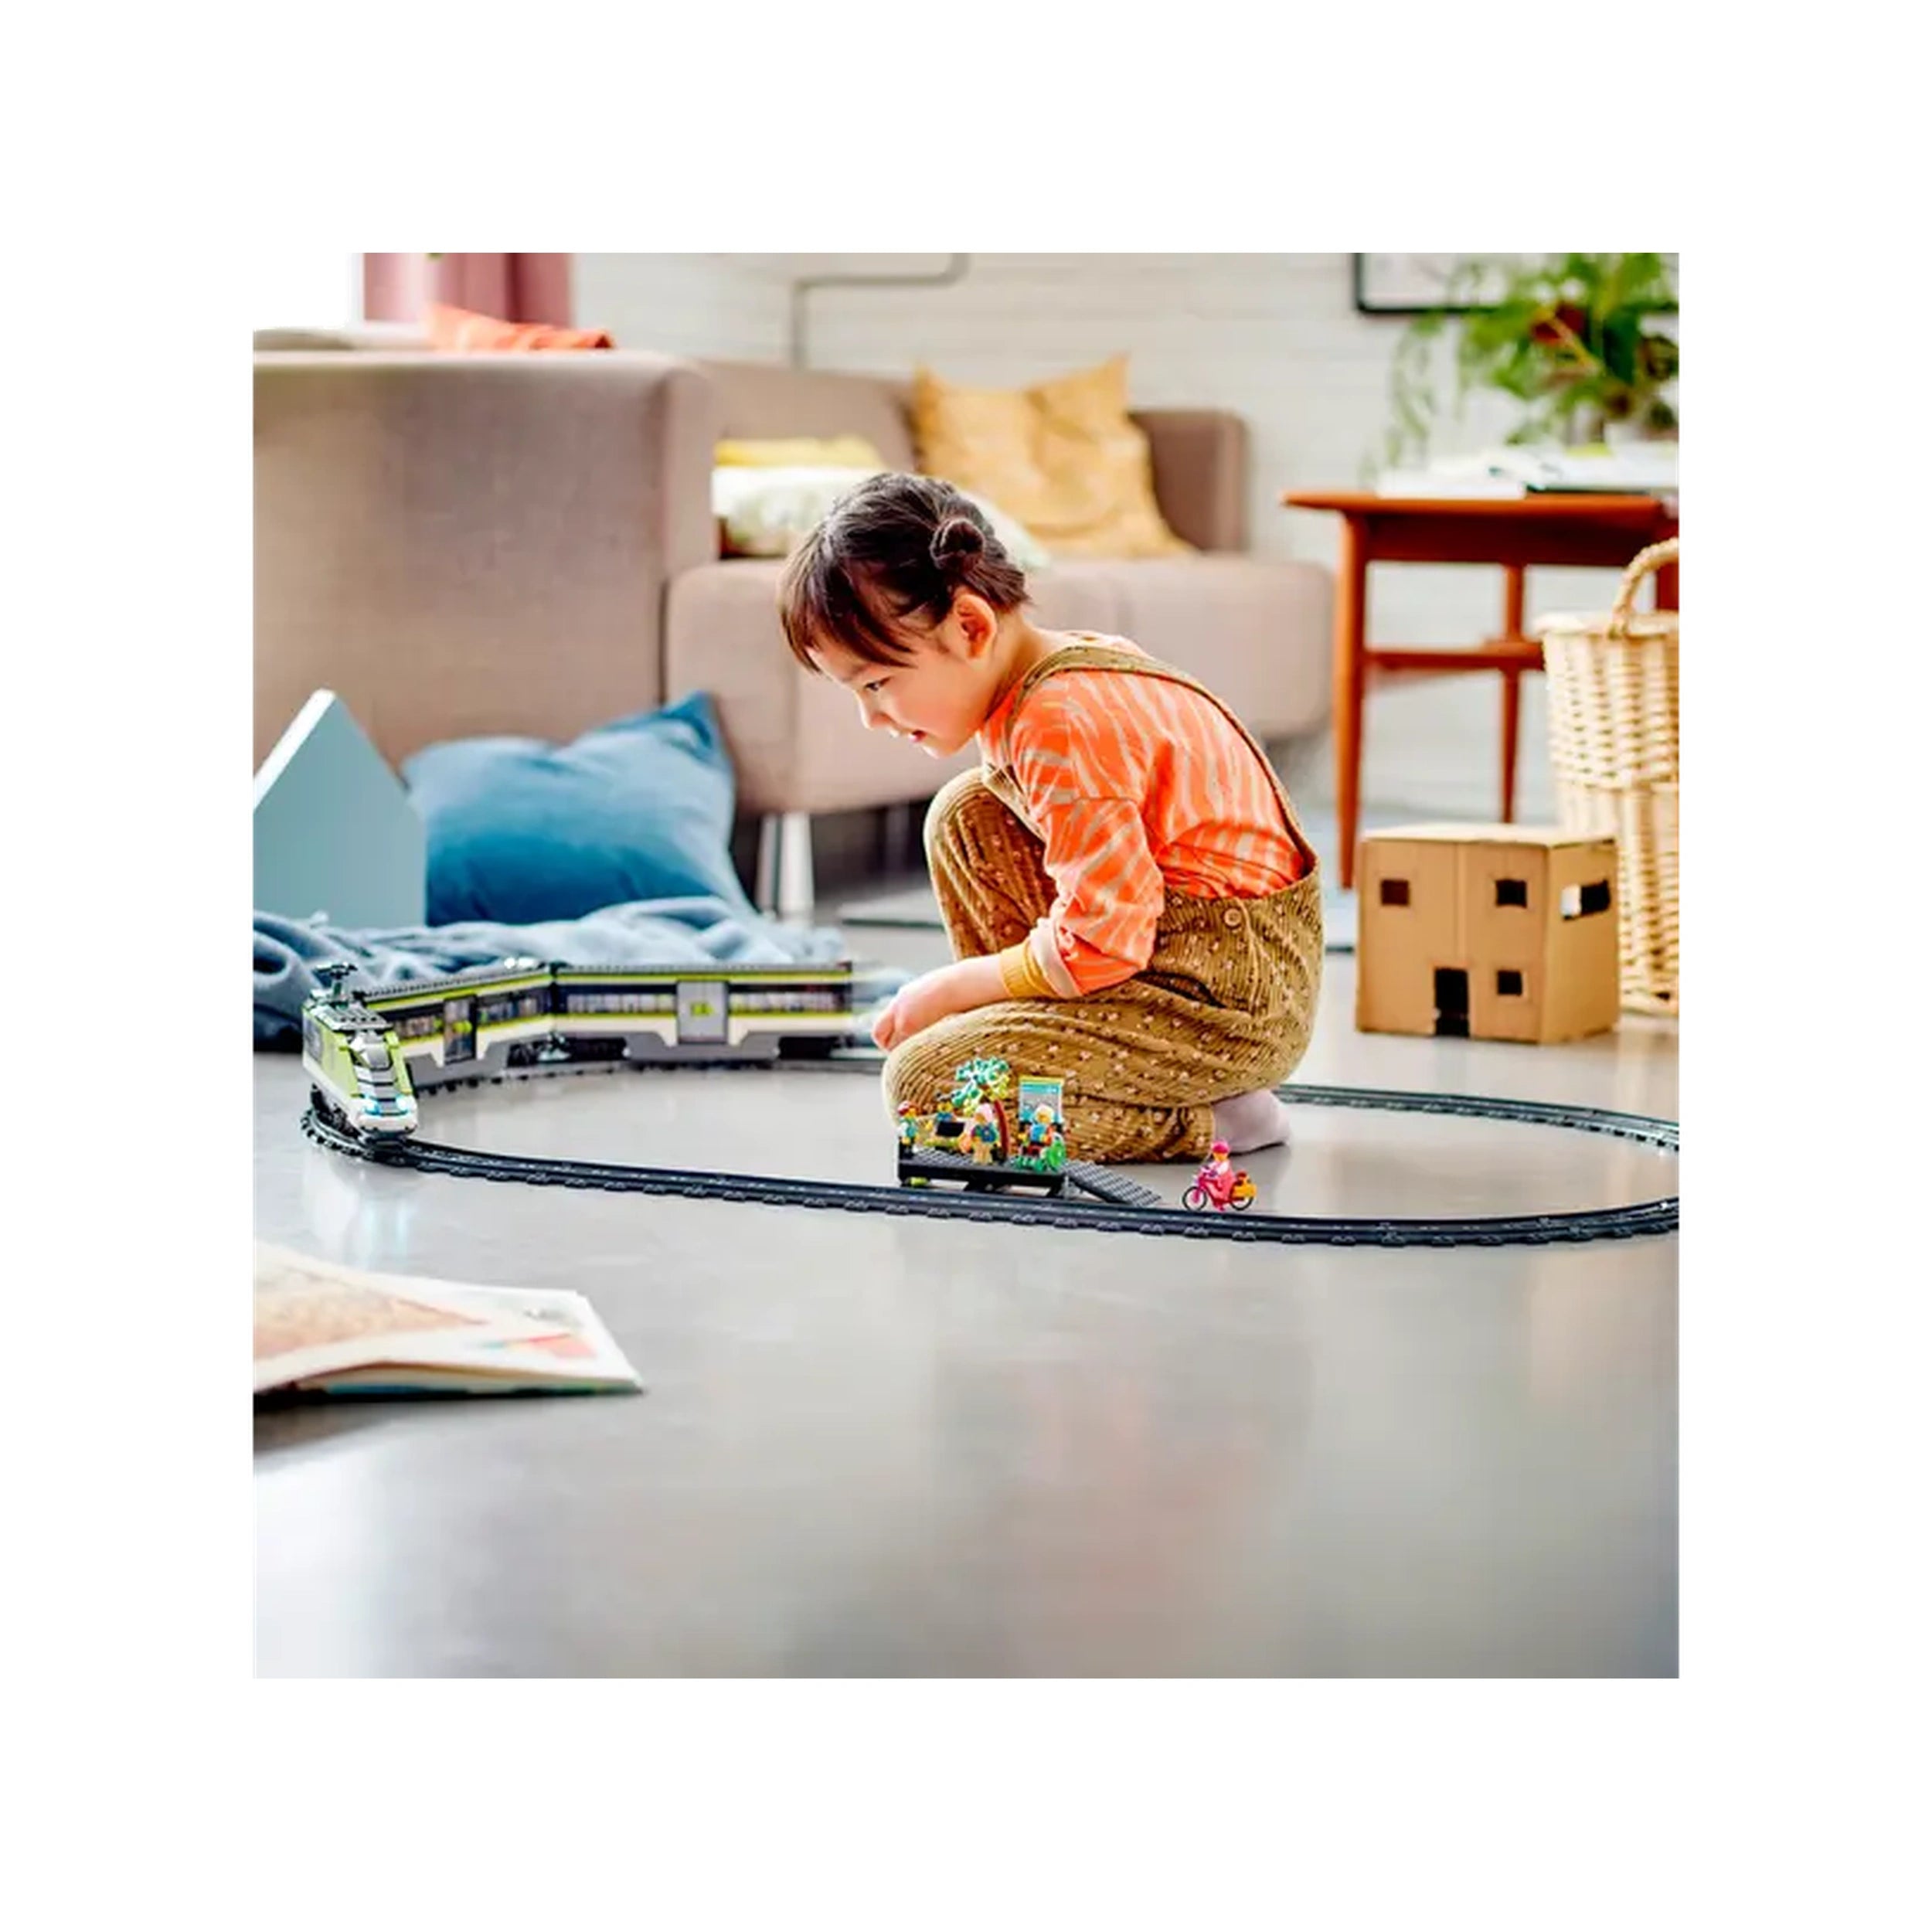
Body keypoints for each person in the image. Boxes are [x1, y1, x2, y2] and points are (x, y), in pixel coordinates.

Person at [777, 472, 1323, 1164]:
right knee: (968, 813)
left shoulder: (1061, 721)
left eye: (878, 684)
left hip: (1225, 1011)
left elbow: (1104, 939)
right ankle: (1024, 1048)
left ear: (970, 626)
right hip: (1181, 967)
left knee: (928, 1092)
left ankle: (1212, 1121)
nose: (872, 718)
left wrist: (952, 989)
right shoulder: (1057, 675)